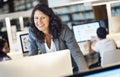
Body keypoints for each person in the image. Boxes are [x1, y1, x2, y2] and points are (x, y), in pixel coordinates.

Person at [28, 4, 88, 73]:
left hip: (69, 68)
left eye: (43, 18)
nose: (39, 22)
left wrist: (85, 73)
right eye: (36, 18)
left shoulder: (63, 30)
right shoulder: (33, 32)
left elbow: (76, 53)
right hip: (51, 70)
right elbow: (32, 56)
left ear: (50, 18)